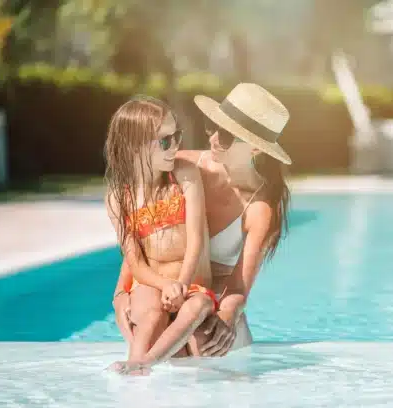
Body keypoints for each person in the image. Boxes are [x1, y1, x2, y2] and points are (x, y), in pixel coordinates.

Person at [112, 83, 292, 366]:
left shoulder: (259, 209)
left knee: (204, 346)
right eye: (213, 126)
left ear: (256, 148)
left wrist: (225, 319)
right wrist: (121, 292)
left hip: (209, 304)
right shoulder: (182, 168)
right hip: (161, 293)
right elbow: (145, 231)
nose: (215, 138)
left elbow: (237, 290)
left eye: (229, 136)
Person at [104, 95, 217, 375]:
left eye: (176, 136)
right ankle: (136, 365)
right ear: (134, 146)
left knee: (197, 307)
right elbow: (136, 264)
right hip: (152, 284)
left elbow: (196, 240)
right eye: (165, 141)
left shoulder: (184, 175)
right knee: (148, 308)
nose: (175, 147)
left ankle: (146, 362)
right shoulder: (119, 198)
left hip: (190, 283)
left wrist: (180, 283)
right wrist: (163, 285)